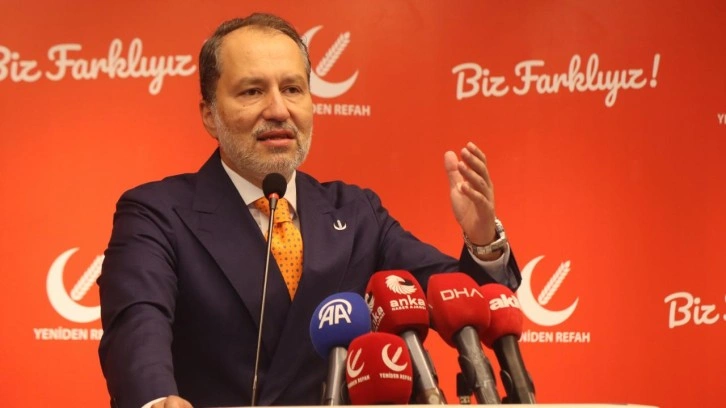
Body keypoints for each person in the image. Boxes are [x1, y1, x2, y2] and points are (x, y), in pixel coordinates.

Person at [98, 12, 521, 408]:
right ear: (210, 114)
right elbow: (137, 321)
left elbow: (461, 306)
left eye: (292, 89)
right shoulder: (157, 213)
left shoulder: (356, 213)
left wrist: (482, 240)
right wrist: (155, 399)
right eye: (252, 91)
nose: (278, 110)